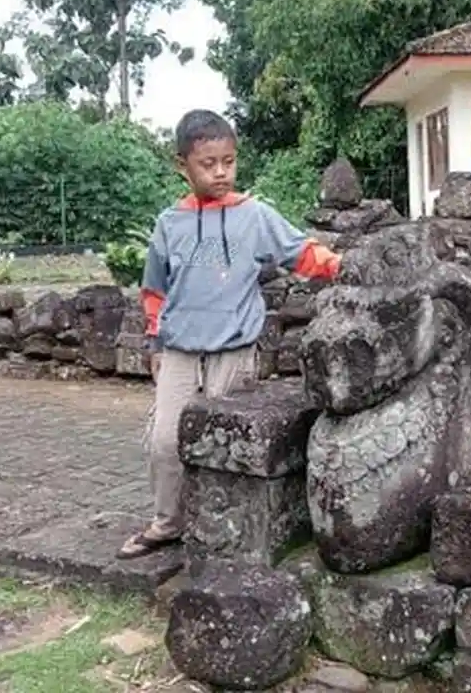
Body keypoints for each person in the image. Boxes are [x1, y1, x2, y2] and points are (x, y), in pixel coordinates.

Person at [117, 109, 341, 560]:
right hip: (179, 352)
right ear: (182, 165)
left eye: (229, 162)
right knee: (165, 442)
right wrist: (155, 341)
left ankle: (226, 533)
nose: (220, 172)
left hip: (234, 352)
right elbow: (154, 290)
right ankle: (168, 523)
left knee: (227, 445)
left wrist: (344, 266)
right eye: (208, 164)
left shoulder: (253, 216)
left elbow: (301, 252)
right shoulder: (169, 224)